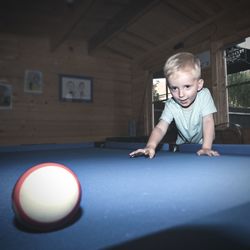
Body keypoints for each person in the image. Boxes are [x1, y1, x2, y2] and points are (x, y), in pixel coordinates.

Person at [130, 52, 219, 158]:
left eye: (187, 86)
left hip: (203, 141)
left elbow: (208, 121)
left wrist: (206, 147)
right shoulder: (171, 105)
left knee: (210, 134)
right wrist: (150, 146)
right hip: (182, 145)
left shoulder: (204, 95)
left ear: (199, 85)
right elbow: (160, 128)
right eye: (174, 88)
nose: (181, 95)